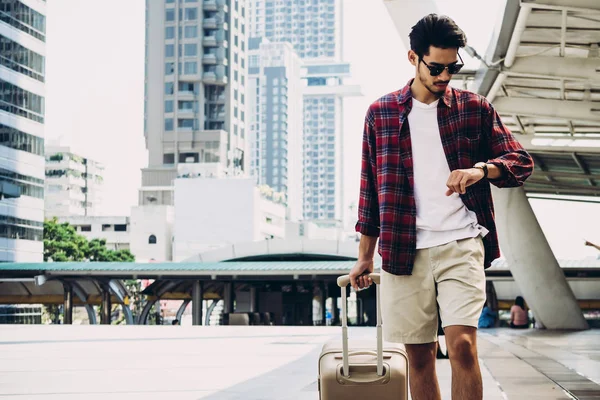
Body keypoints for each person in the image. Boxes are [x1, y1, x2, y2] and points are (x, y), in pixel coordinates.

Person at [349, 13, 533, 400]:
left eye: (453, 68)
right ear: (412, 58)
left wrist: (481, 170)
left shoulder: (474, 109)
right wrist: (365, 257)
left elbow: (520, 161)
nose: (445, 76)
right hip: (403, 251)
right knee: (419, 357)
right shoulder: (380, 115)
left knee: (463, 345)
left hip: (461, 242)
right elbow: (371, 194)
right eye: (436, 67)